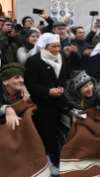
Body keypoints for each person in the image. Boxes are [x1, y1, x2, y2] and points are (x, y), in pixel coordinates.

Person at [60, 71, 100, 176]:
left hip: (94, 115)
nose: (90, 88)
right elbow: (63, 108)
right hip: (79, 118)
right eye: (85, 86)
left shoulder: (95, 89)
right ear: (78, 89)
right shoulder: (68, 95)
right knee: (83, 134)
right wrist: (71, 114)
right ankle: (86, 158)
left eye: (90, 84)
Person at [25, 33, 66, 176]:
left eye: (59, 46)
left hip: (58, 102)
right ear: (45, 46)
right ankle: (46, 162)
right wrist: (48, 92)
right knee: (45, 133)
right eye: (53, 46)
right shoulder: (34, 61)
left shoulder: (61, 58)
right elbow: (30, 84)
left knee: (55, 132)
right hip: (42, 104)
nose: (57, 49)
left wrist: (61, 89)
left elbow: (63, 78)